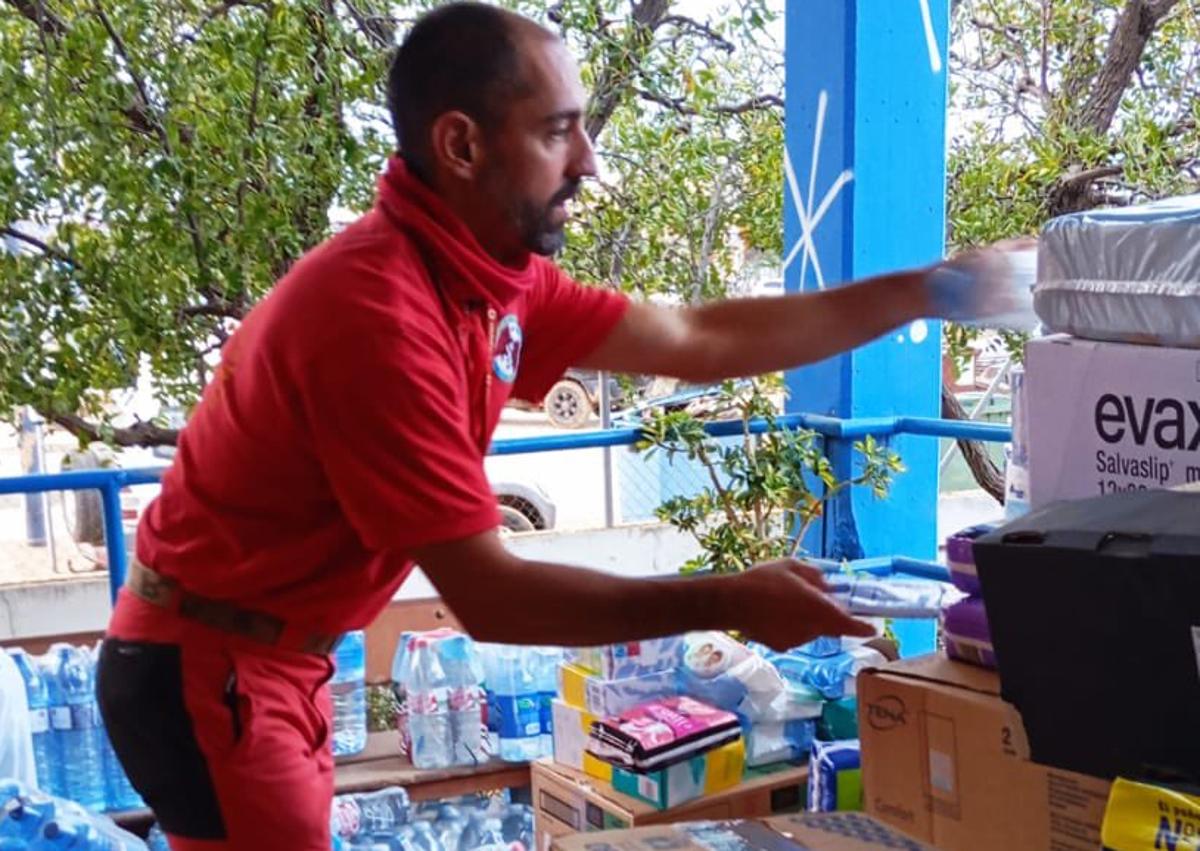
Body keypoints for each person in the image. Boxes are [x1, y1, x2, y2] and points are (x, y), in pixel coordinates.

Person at [95, 3, 1027, 849]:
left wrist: (931, 289)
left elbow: (695, 338)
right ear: (460, 145)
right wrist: (730, 599)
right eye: (556, 132)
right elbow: (495, 596)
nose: (588, 162)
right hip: (208, 667)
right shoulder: (378, 316)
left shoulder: (493, 278)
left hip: (274, 660)